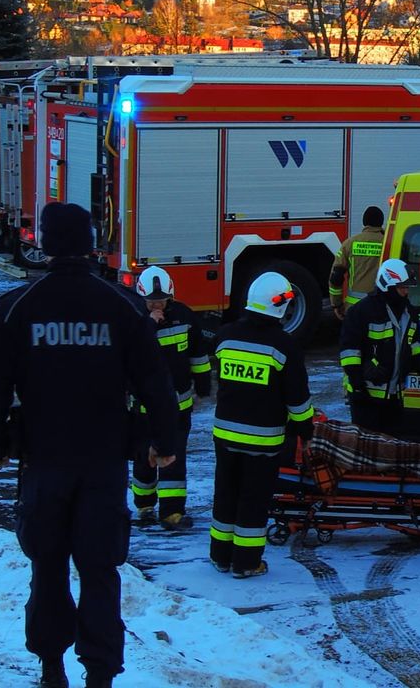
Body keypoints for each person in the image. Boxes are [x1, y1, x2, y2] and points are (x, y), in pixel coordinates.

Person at [0, 202, 179, 688]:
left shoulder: (19, 306)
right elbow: (156, 381)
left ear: (45, 243)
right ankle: (101, 674)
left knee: (47, 566)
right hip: (104, 463)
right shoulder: (124, 305)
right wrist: (165, 441)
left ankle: (51, 667)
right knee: (100, 570)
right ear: (91, 243)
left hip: (44, 461)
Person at [209, 271, 312, 579]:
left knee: (225, 493)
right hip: (262, 440)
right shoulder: (284, 346)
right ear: (278, 306)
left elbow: (219, 374)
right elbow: (298, 399)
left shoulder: (225, 336)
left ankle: (220, 556)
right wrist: (305, 431)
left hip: (224, 433)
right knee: (253, 500)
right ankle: (246, 561)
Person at [130, 266, 212, 531]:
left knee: (174, 458)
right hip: (143, 409)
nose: (157, 304)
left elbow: (198, 355)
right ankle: (143, 505)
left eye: (161, 299)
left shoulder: (185, 317)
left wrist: (202, 387)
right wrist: (147, 326)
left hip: (178, 406)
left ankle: (172, 513)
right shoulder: (133, 320)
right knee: (144, 458)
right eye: (151, 300)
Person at [338, 258, 420, 438]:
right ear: (388, 285)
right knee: (366, 453)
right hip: (366, 398)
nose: (406, 292)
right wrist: (358, 385)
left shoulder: (410, 313)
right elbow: (349, 352)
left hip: (395, 398)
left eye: (407, 287)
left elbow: (415, 346)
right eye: (402, 287)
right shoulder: (362, 312)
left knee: (391, 451)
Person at [328, 206, 385, 320]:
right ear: (381, 222)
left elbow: (336, 277)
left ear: (364, 222)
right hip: (381, 307)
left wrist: (337, 304)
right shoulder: (388, 243)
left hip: (354, 309)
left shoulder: (349, 243)